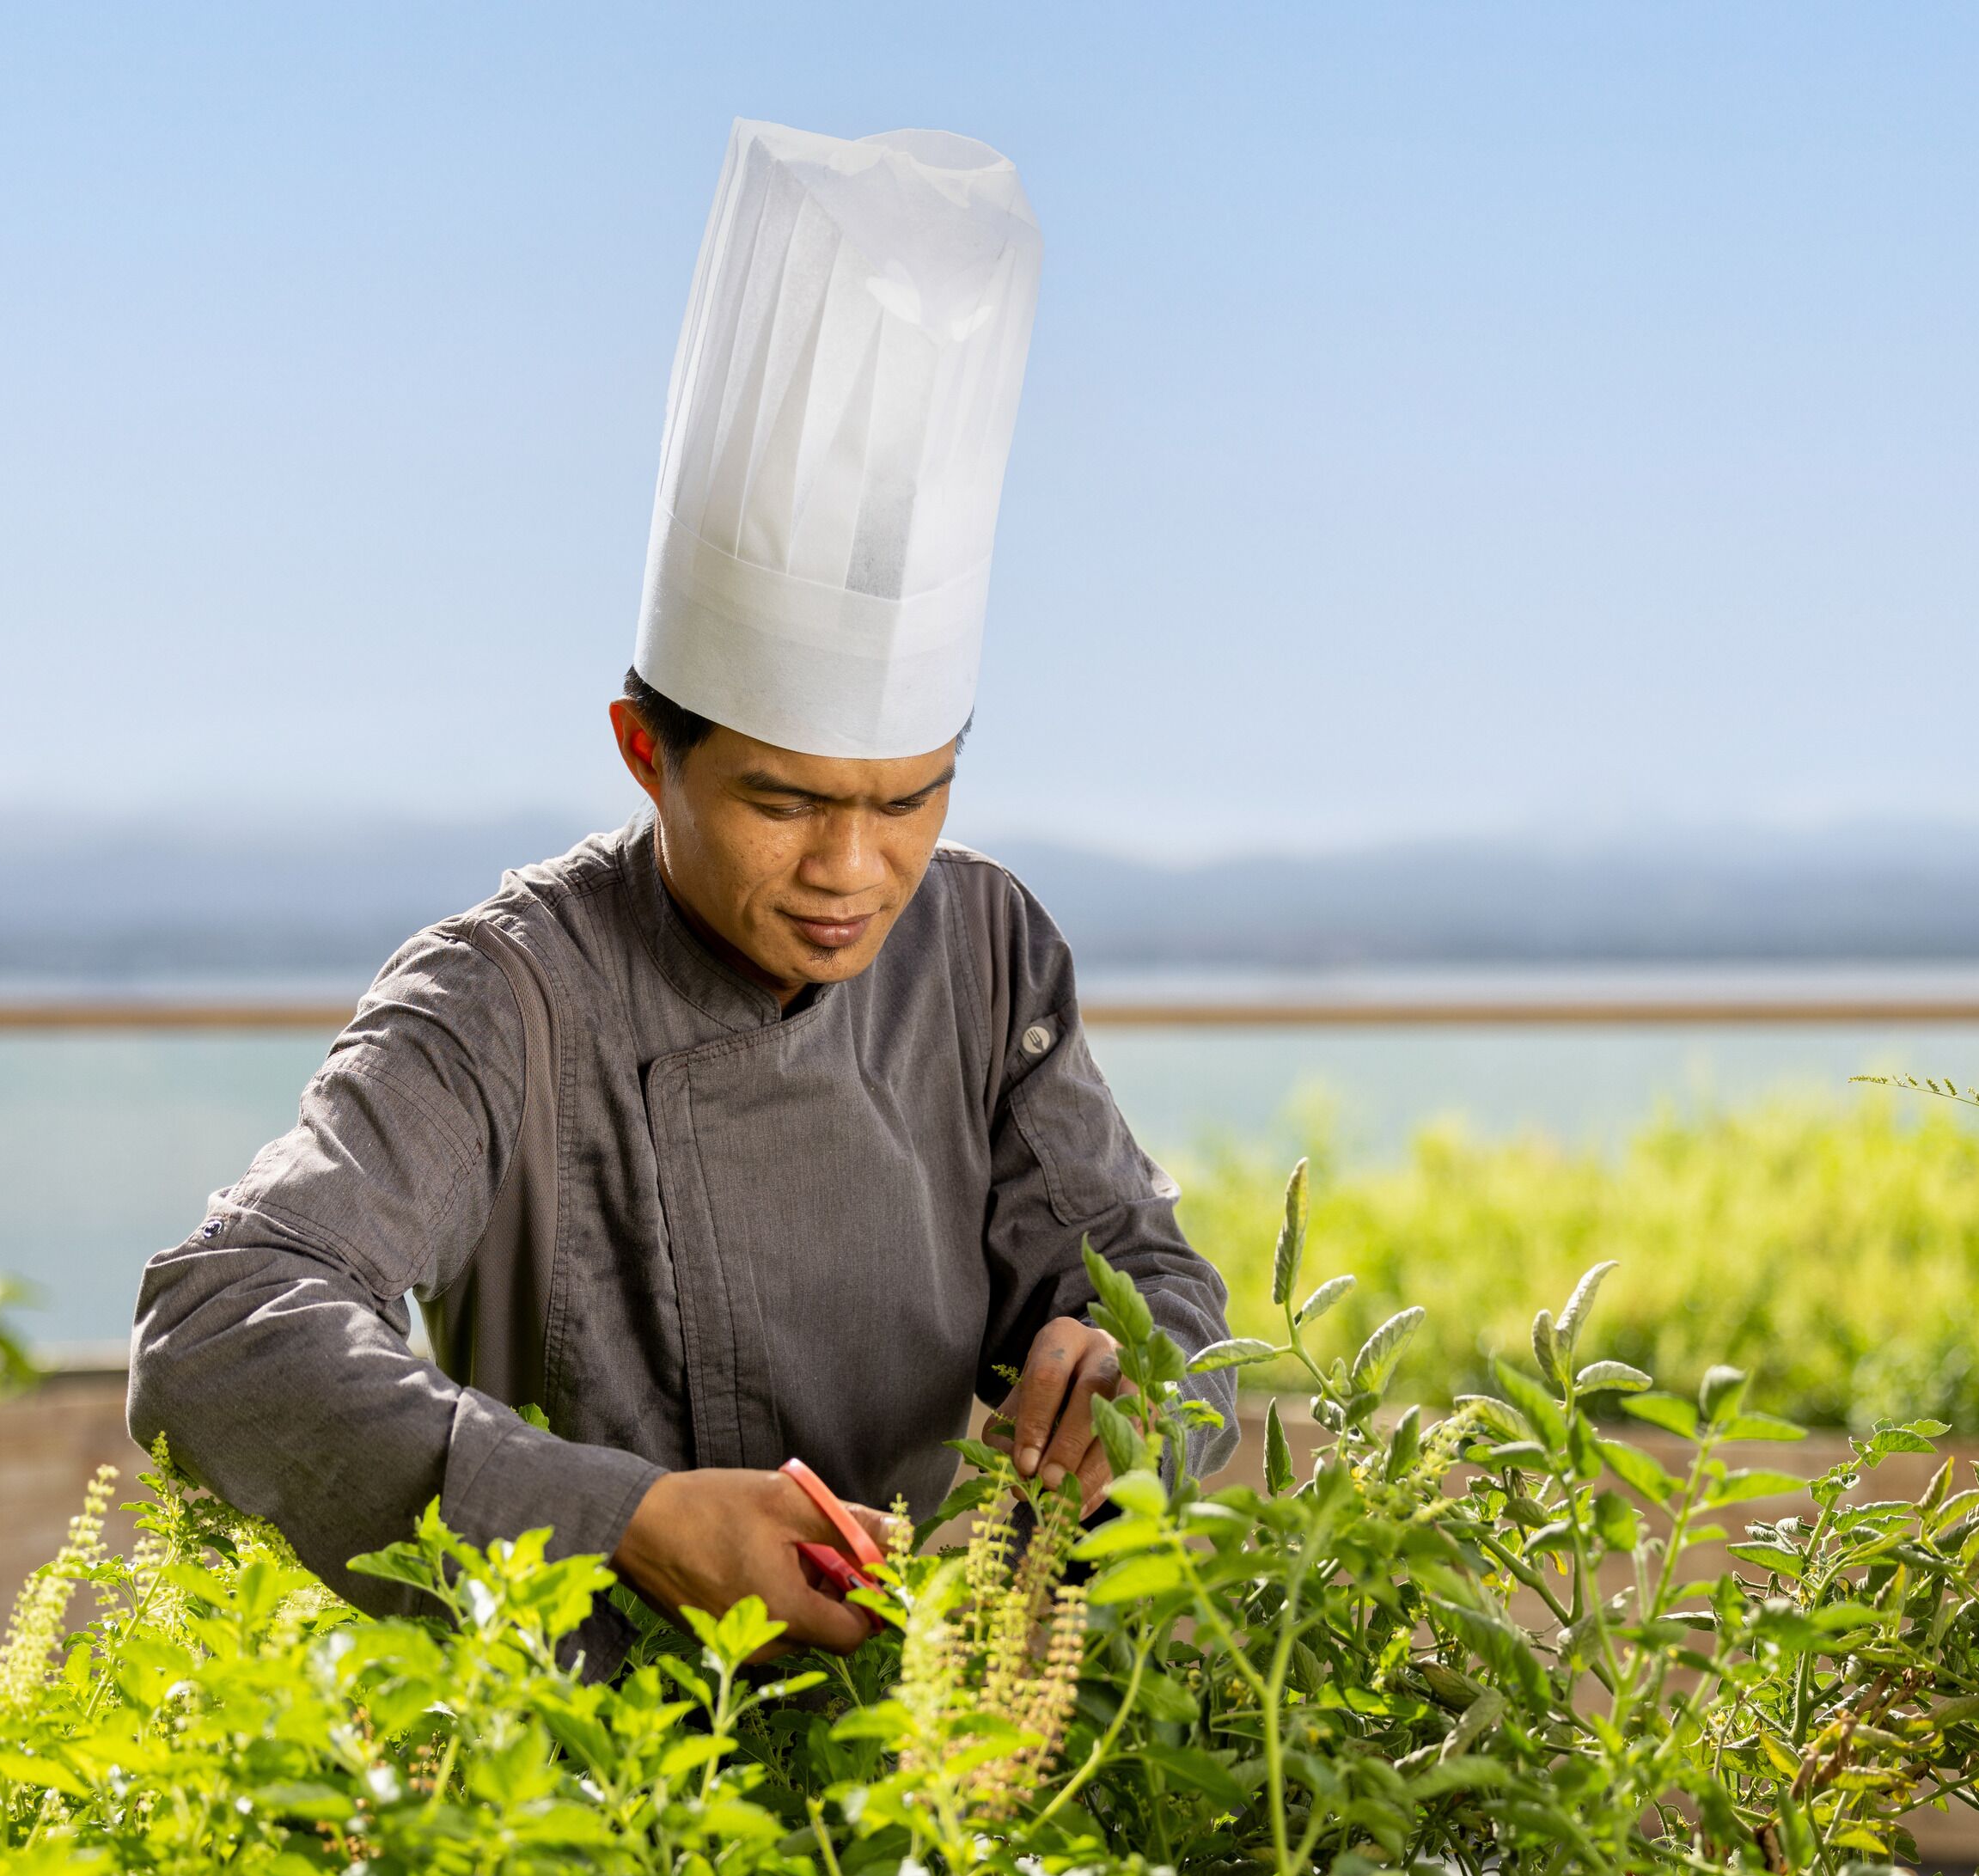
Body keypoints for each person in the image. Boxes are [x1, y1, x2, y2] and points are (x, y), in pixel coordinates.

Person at [128, 119, 1233, 1673]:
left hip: (960, 1750)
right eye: (785, 803)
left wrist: (1133, 1381)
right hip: (617, 1803)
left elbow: (1147, 1276)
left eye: (910, 798)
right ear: (647, 752)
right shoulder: (502, 1001)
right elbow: (217, 1324)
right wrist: (618, 1519)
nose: (856, 873)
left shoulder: (985, 951)